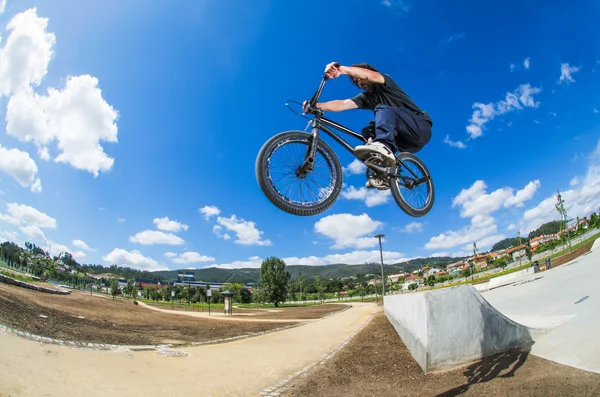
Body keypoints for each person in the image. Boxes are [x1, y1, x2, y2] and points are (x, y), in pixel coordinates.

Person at [303, 62, 433, 189]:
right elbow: (341, 104)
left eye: (359, 79)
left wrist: (341, 69)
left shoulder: (384, 81)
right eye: (356, 82)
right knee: (368, 131)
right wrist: (317, 105)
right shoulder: (365, 98)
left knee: (383, 109)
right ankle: (385, 172)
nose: (359, 83)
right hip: (404, 141)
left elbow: (369, 75)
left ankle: (384, 146)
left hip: (420, 128)